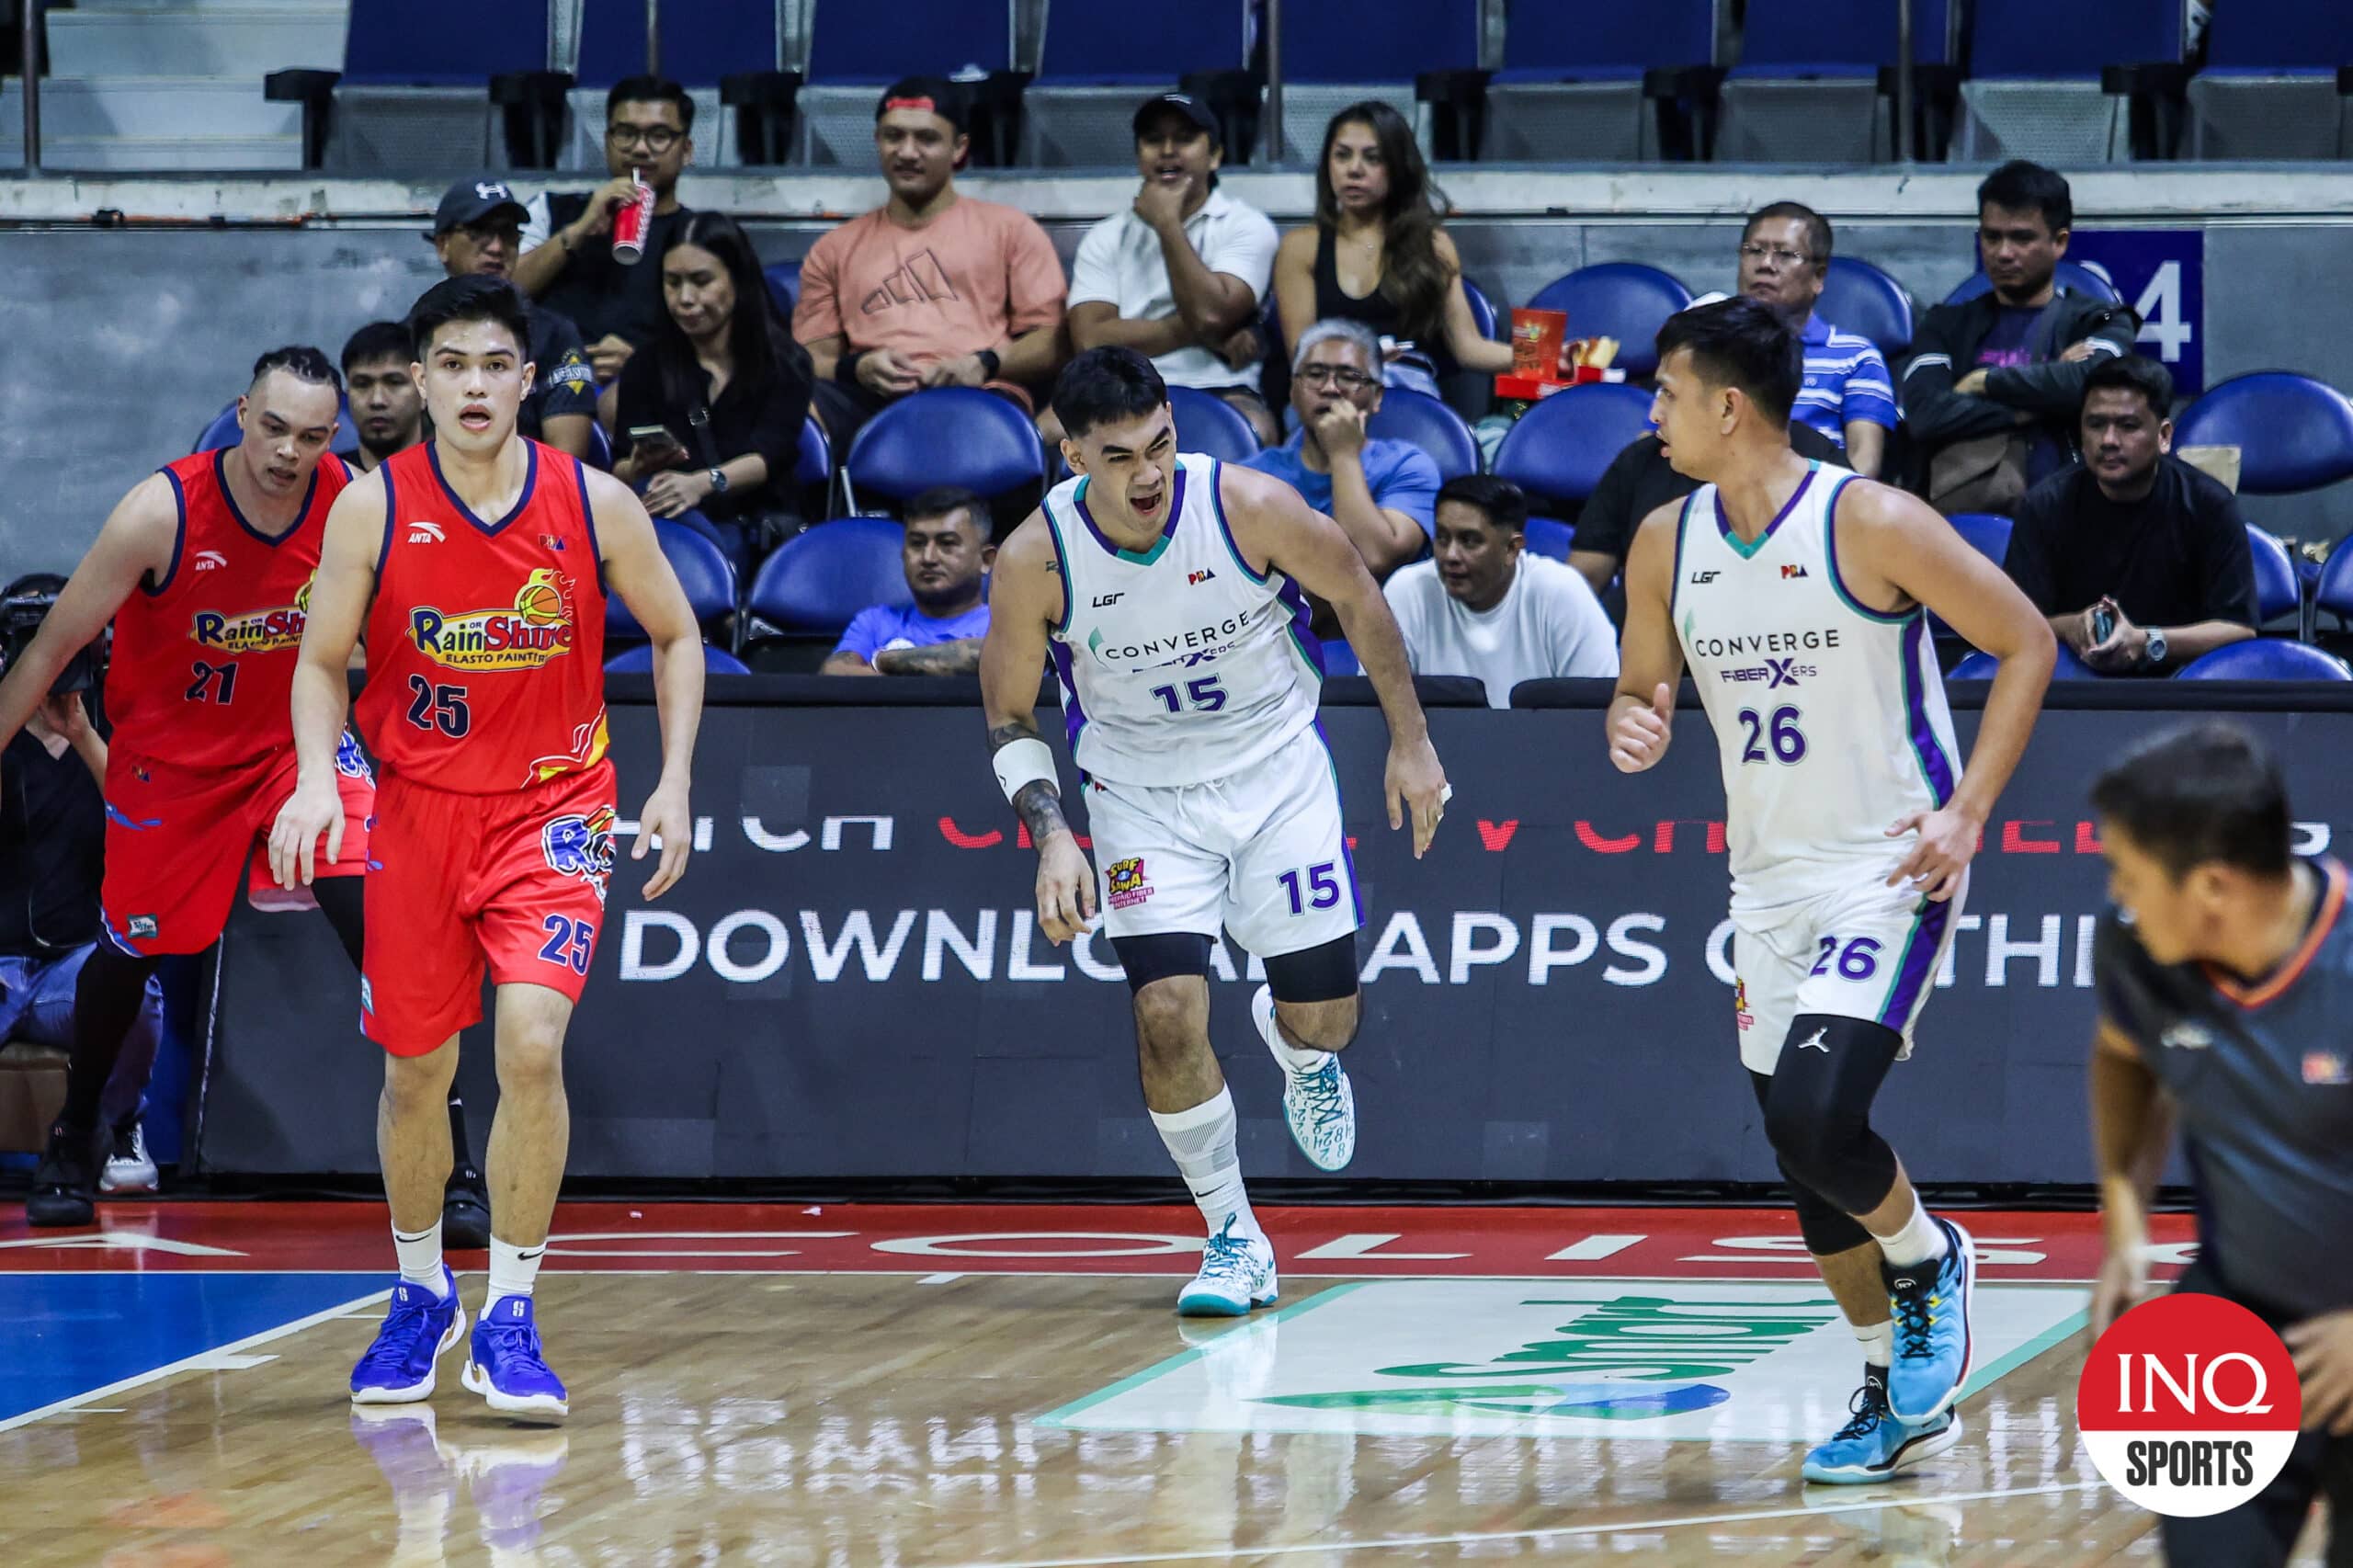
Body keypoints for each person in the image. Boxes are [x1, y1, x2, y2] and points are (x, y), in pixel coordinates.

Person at [1608, 298, 2056, 1484]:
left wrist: (1965, 814)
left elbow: (2026, 643)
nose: (1649, 413)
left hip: (1889, 861)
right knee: (1804, 1152)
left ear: (1728, 406)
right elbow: (1641, 682)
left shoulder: (1872, 520)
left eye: (1665, 391)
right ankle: (1885, 1386)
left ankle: (1933, 1259)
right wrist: (1634, 723)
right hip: (1765, 880)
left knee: (1815, 1112)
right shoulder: (1665, 539)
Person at [268, 276, 705, 1423]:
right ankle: (421, 1293)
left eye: (492, 364)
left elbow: (675, 632)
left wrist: (676, 781)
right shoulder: (369, 506)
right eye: (450, 364)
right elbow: (319, 663)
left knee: (529, 1039)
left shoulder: (596, 500)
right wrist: (319, 779)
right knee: (416, 1069)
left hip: (554, 808)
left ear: (526, 378)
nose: (472, 384)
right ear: (420, 380)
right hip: (414, 811)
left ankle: (512, 1310)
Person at [980, 346, 1449, 1316]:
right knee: (1164, 1012)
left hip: (1276, 770)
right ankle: (1234, 1233)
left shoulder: (1247, 504)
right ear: (1072, 456)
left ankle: (1299, 1053)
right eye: (1117, 457)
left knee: (1326, 1017)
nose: (1147, 475)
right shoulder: (1035, 558)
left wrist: (1411, 742)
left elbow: (1361, 599)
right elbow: (1011, 715)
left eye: (1159, 444)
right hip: (1141, 791)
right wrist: (1053, 835)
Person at [0, 347, 378, 1228]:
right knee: (127, 957)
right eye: (276, 428)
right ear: (242, 412)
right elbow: (50, 652)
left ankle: (454, 1160)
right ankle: (76, 1132)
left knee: (382, 925)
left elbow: (391, 637)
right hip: (172, 762)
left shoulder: (350, 501)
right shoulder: (159, 510)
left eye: (313, 437)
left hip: (294, 749)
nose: (290, 451)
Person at [2085, 722, 2353, 1568]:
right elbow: (2122, 1057)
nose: (2117, 892)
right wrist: (2124, 1221)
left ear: (2210, 885)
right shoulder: (2136, 950)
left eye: (2128, 869)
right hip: (2232, 1323)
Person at [0, 575, 165, 1194]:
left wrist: (80, 731)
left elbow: (141, 819)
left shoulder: (115, 723)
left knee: (137, 995)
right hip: (2, 963)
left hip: (70, 969)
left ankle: (117, 1125)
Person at [794, 77, 1066, 444]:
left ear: (959, 148)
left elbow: (1051, 342)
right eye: (893, 137)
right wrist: (855, 367)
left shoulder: (1011, 230)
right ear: (877, 141)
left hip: (979, 393)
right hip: (870, 398)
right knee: (792, 407)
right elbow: (810, 359)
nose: (907, 152)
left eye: (927, 139)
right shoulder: (833, 248)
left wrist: (983, 363)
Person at [1899, 161, 2139, 512]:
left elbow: (2087, 387)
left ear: (2059, 242)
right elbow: (1923, 414)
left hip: (2076, 514)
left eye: (2021, 238)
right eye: (1991, 237)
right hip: (1962, 514)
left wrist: (1983, 382)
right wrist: (2042, 399)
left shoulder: (2100, 322)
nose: (2003, 253)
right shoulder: (1944, 324)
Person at [2003, 356, 2257, 676]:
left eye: (2128, 426)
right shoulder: (2044, 505)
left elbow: (2238, 628)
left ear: (2164, 436)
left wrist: (2146, 641)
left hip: (2183, 687)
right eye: (2095, 425)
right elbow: (2012, 624)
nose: (2108, 440)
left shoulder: (2209, 505)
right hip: (2071, 688)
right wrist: (2071, 626)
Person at [1064, 93, 1279, 447]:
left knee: (1254, 431)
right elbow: (1090, 340)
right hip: (1120, 391)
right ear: (1139, 157)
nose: (1167, 150)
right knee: (1044, 435)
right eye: (1153, 140)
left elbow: (1210, 314)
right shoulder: (1106, 236)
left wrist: (1167, 224)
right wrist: (1203, 332)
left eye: (1184, 138)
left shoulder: (1245, 225)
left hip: (1220, 389)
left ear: (1215, 156)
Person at [608, 212, 814, 571]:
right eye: (672, 283)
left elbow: (770, 455)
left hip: (757, 527)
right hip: (670, 524)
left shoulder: (786, 362)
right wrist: (638, 467)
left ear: (738, 280)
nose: (685, 298)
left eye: (701, 281)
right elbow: (619, 467)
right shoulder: (646, 365)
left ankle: (719, 588)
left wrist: (701, 484)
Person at [1271, 102, 1511, 399]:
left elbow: (1470, 348)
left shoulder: (1433, 245)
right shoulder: (1300, 247)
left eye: (1372, 158)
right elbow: (1302, 353)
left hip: (1409, 391)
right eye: (1342, 156)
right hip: (1329, 391)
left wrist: (1546, 360)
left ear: (1397, 168)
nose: (1354, 170)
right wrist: (1360, 362)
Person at [513, 77, 697, 386]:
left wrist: (642, 364)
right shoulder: (553, 208)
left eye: (659, 136)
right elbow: (502, 294)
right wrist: (578, 230)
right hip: (546, 385)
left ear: (686, 150)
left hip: (653, 391)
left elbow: (723, 345)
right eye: (626, 134)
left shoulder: (699, 233)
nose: (640, 149)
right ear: (607, 140)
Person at [1381, 475, 1618, 706]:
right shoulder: (1408, 590)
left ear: (1512, 549)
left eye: (1469, 540)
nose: (1450, 555)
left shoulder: (1562, 592)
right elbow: (1377, 705)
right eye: (1442, 538)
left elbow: (1595, 712)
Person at [1246, 320, 1440, 582]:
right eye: (1315, 375)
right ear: (1293, 392)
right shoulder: (1253, 476)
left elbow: (1372, 560)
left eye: (1349, 377)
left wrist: (1343, 455)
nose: (1330, 388)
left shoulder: (1407, 467)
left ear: (1377, 397)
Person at [1569, 419, 1844, 598]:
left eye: (1670, 394)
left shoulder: (1820, 465)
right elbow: (1585, 578)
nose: (1655, 413)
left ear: (1727, 405)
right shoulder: (1641, 461)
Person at [428, 179, 597, 462]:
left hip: (534, 495)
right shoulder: (416, 333)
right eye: (479, 232)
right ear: (443, 245)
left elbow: (566, 463)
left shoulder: (555, 334)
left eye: (507, 233)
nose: (496, 247)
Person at [1736, 202, 1896, 480]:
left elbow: (1864, 465)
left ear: (1818, 277)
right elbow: (1653, 445)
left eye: (1785, 254)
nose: (1765, 265)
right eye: (1755, 251)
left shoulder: (1856, 358)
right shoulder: (1705, 348)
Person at [822, 487, 993, 676]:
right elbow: (834, 672)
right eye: (917, 543)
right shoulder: (875, 621)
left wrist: (883, 660)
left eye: (947, 543)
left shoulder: (1003, 624)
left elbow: (989, 656)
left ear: (986, 560)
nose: (928, 558)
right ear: (903, 554)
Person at [342, 322, 427, 473]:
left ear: (424, 391)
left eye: (394, 382)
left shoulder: (456, 480)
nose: (377, 400)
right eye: (362, 384)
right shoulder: (325, 480)